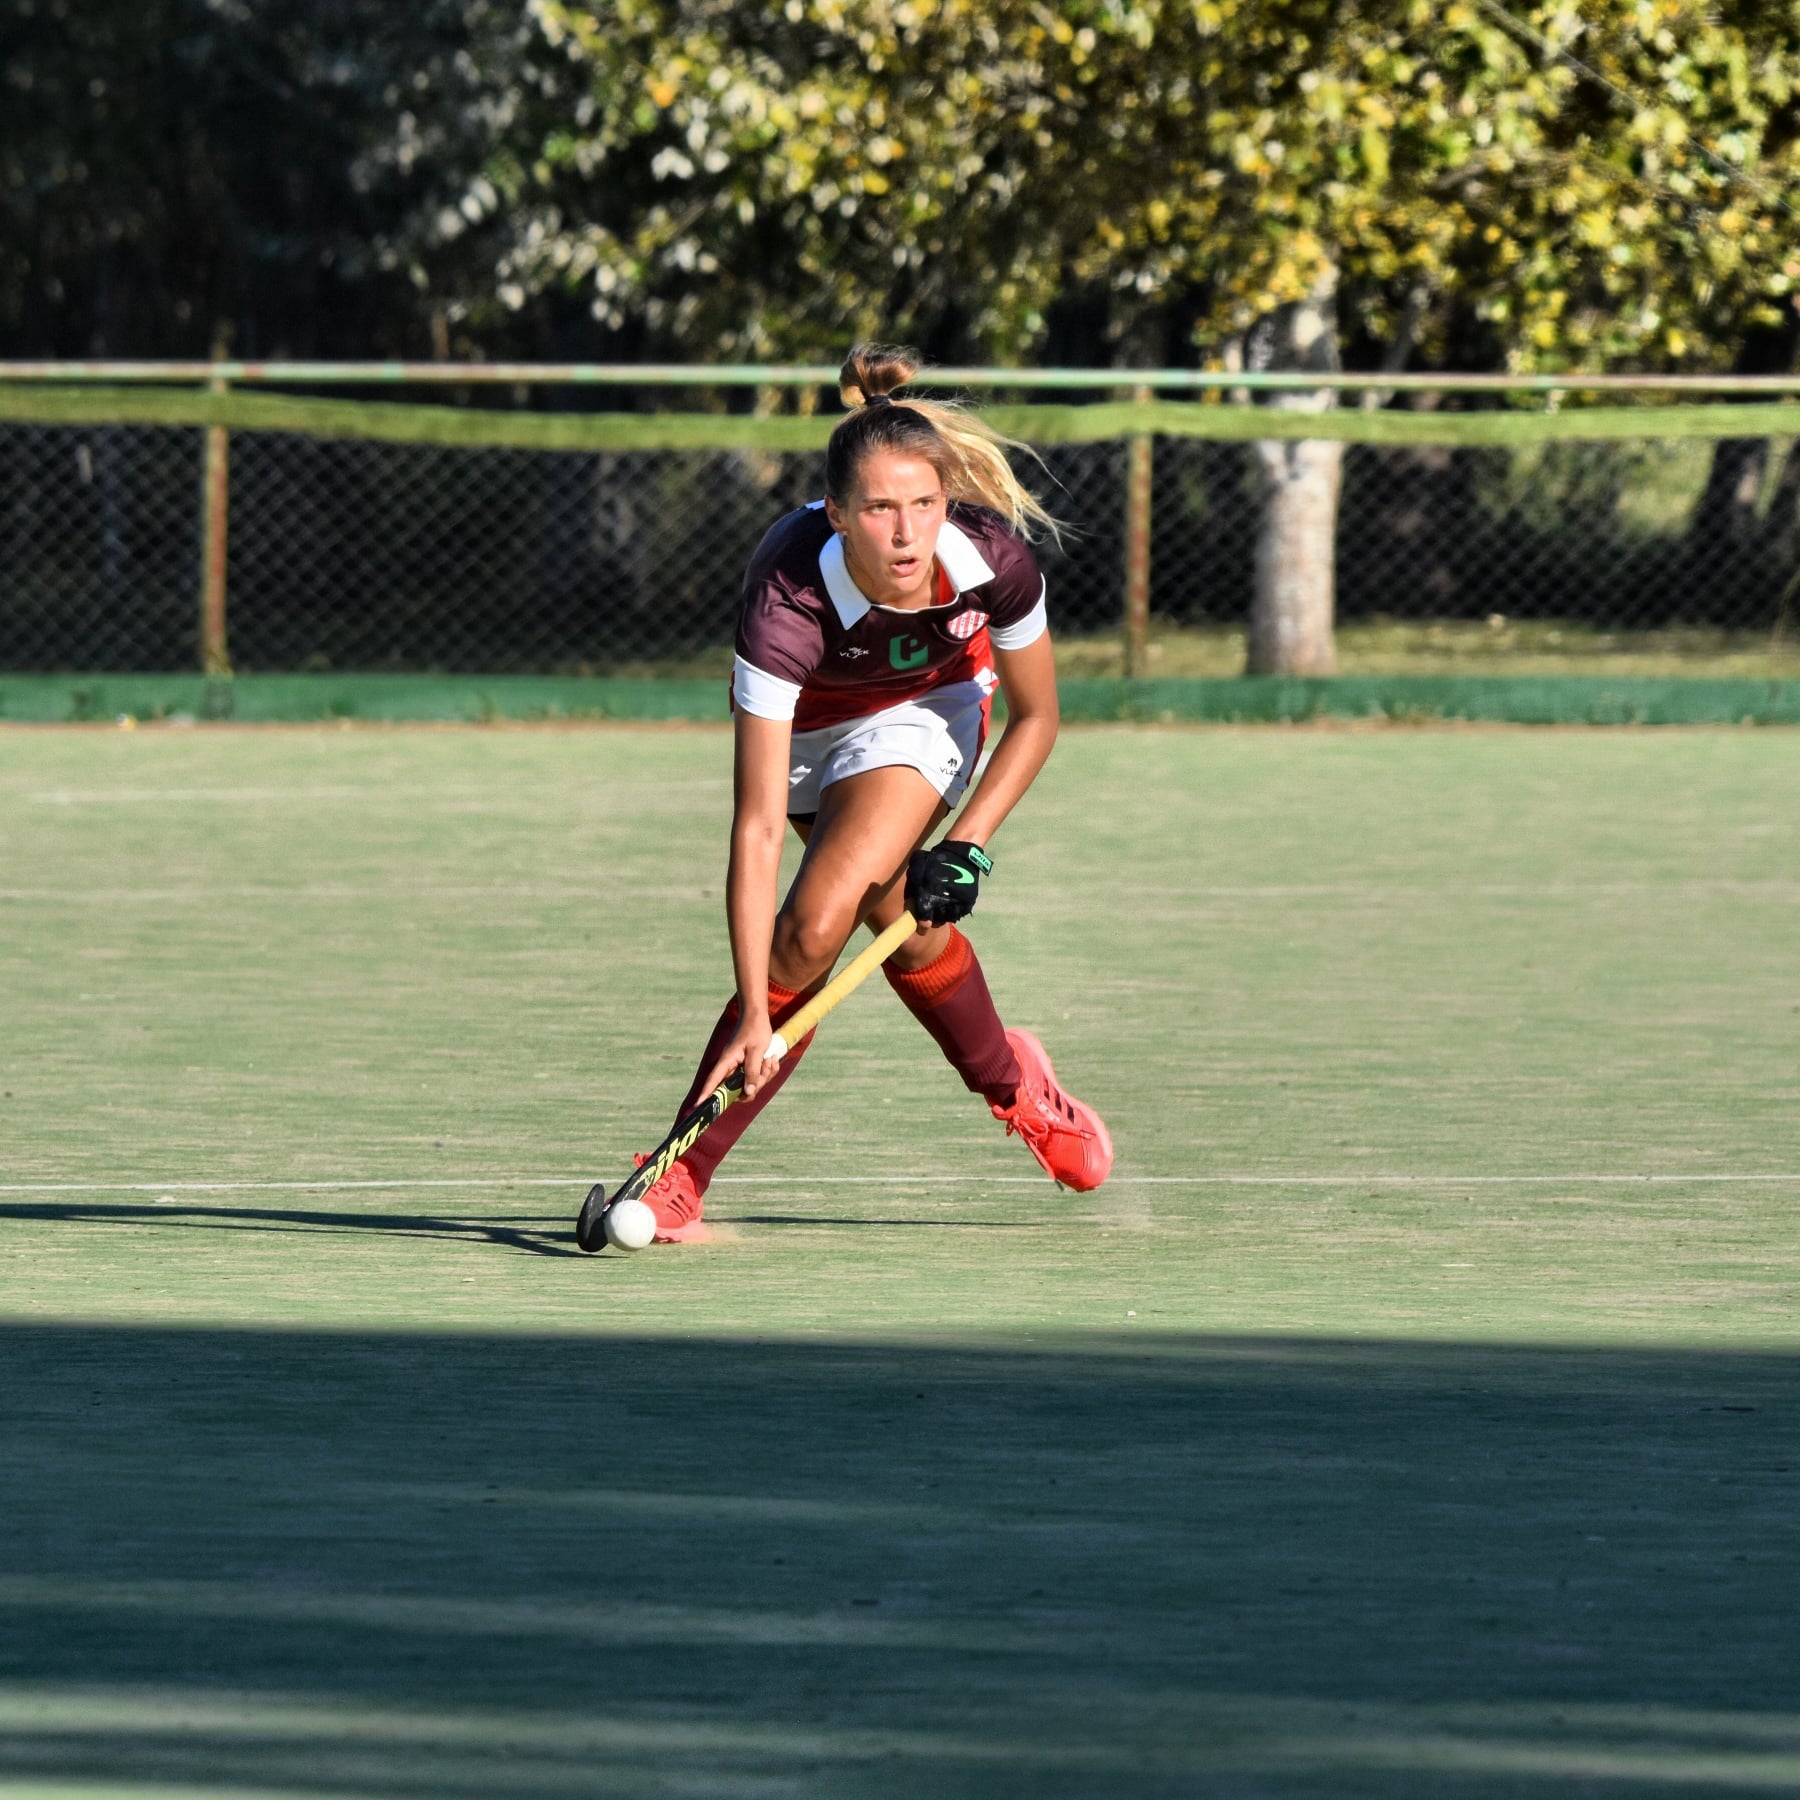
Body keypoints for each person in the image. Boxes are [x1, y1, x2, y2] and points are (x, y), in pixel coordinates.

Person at [635, 342, 1113, 1242]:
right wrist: (748, 1002)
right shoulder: (786, 596)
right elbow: (755, 826)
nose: (906, 535)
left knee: (815, 925)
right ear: (837, 512)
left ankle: (678, 1173)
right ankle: (1017, 1083)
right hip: (810, 727)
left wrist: (965, 844)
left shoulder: (992, 562)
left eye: (924, 506)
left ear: (947, 502)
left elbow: (1038, 717)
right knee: (899, 915)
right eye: (881, 511)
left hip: (924, 712)